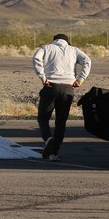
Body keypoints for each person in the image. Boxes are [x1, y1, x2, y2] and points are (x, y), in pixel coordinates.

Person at [33, 33, 91, 161]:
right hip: (68, 88)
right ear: (67, 42)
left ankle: (48, 139)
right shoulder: (74, 50)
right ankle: (54, 153)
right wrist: (80, 79)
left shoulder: (46, 48)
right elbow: (87, 61)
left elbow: (36, 59)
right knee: (61, 122)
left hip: (51, 86)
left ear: (54, 41)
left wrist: (42, 77)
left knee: (43, 118)